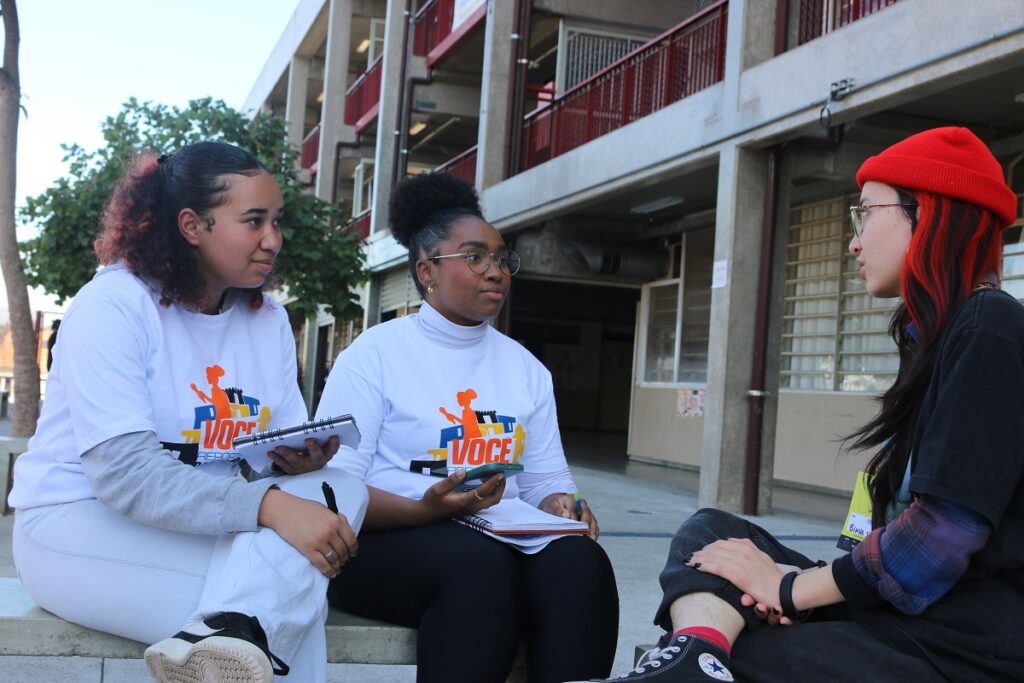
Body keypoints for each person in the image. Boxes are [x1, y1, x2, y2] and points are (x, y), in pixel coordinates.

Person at [584, 127, 1023, 682]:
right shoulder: (934, 339)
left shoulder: (989, 327)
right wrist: (790, 589)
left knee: (746, 652)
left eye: (865, 213)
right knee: (711, 533)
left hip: (955, 647)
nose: (854, 241)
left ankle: (699, 659)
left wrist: (787, 589)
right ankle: (696, 660)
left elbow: (936, 542)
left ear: (929, 214)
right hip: (895, 618)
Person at [8, 142, 368, 682]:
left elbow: (262, 457)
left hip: (204, 526)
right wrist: (270, 506)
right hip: (76, 523)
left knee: (344, 485)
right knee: (284, 620)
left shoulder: (266, 319)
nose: (274, 240)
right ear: (192, 225)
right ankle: (228, 632)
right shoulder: (113, 308)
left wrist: (294, 462)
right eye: (253, 221)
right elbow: (127, 477)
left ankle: (221, 634)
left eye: (276, 221)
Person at [314, 172, 619, 683]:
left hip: (501, 537)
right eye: (475, 257)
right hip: (384, 542)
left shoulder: (525, 369)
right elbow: (332, 484)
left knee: (581, 565)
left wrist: (562, 505)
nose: (495, 271)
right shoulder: (374, 354)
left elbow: (546, 479)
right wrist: (422, 509)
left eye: (502, 259)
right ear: (427, 269)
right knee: (479, 567)